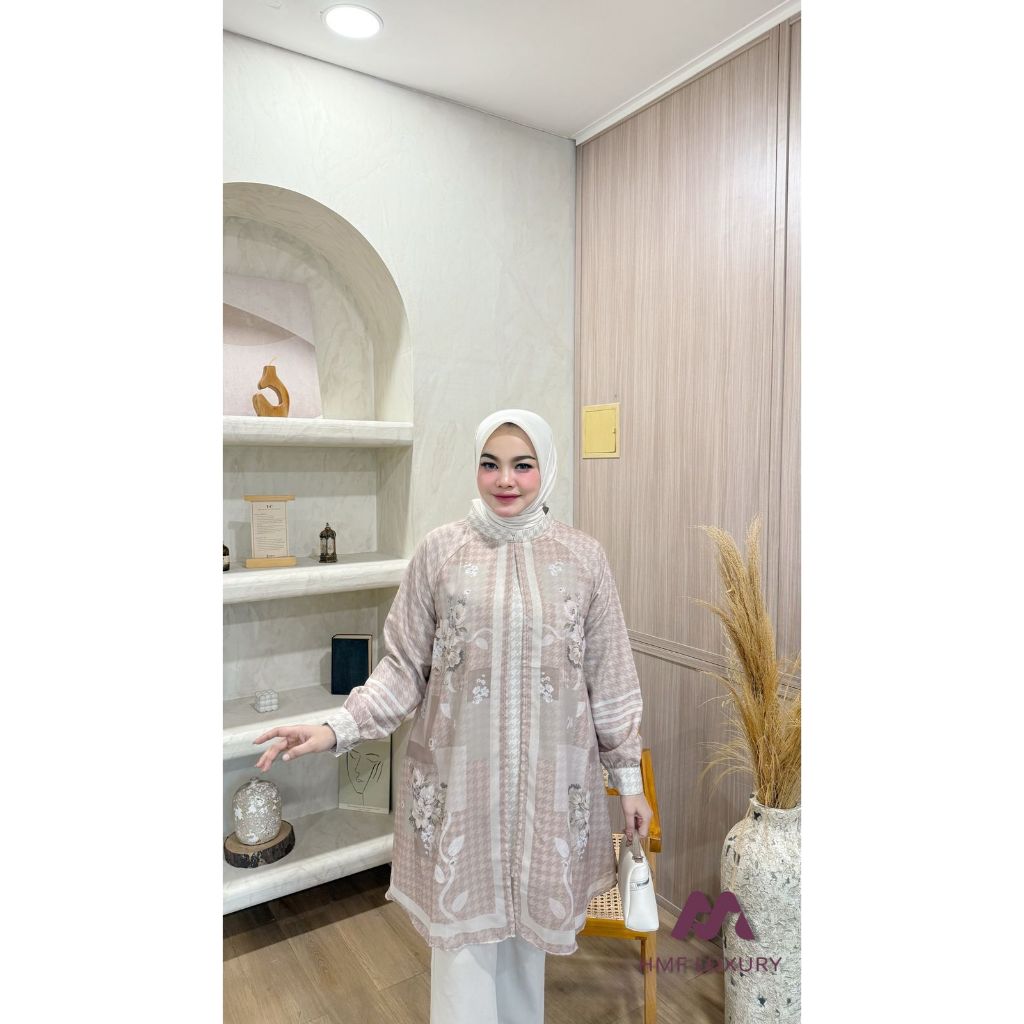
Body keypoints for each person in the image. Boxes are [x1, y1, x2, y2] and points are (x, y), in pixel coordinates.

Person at [253, 408, 653, 1024]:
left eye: (522, 465)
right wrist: (335, 728)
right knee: (463, 960)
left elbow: (612, 677)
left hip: (548, 794)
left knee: (526, 954)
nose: (505, 479)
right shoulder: (441, 552)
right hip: (463, 794)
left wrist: (628, 782)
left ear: (546, 468)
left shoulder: (583, 559)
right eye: (490, 464)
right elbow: (402, 668)